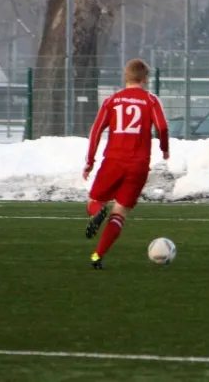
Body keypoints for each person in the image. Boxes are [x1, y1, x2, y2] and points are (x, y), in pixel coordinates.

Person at [83, 58, 169, 270]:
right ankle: (97, 255)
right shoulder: (150, 100)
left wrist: (90, 161)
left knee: (94, 201)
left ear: (126, 77)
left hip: (113, 160)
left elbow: (96, 130)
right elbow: (163, 127)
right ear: (145, 78)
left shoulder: (111, 101)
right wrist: (164, 148)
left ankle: (96, 213)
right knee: (119, 213)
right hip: (138, 165)